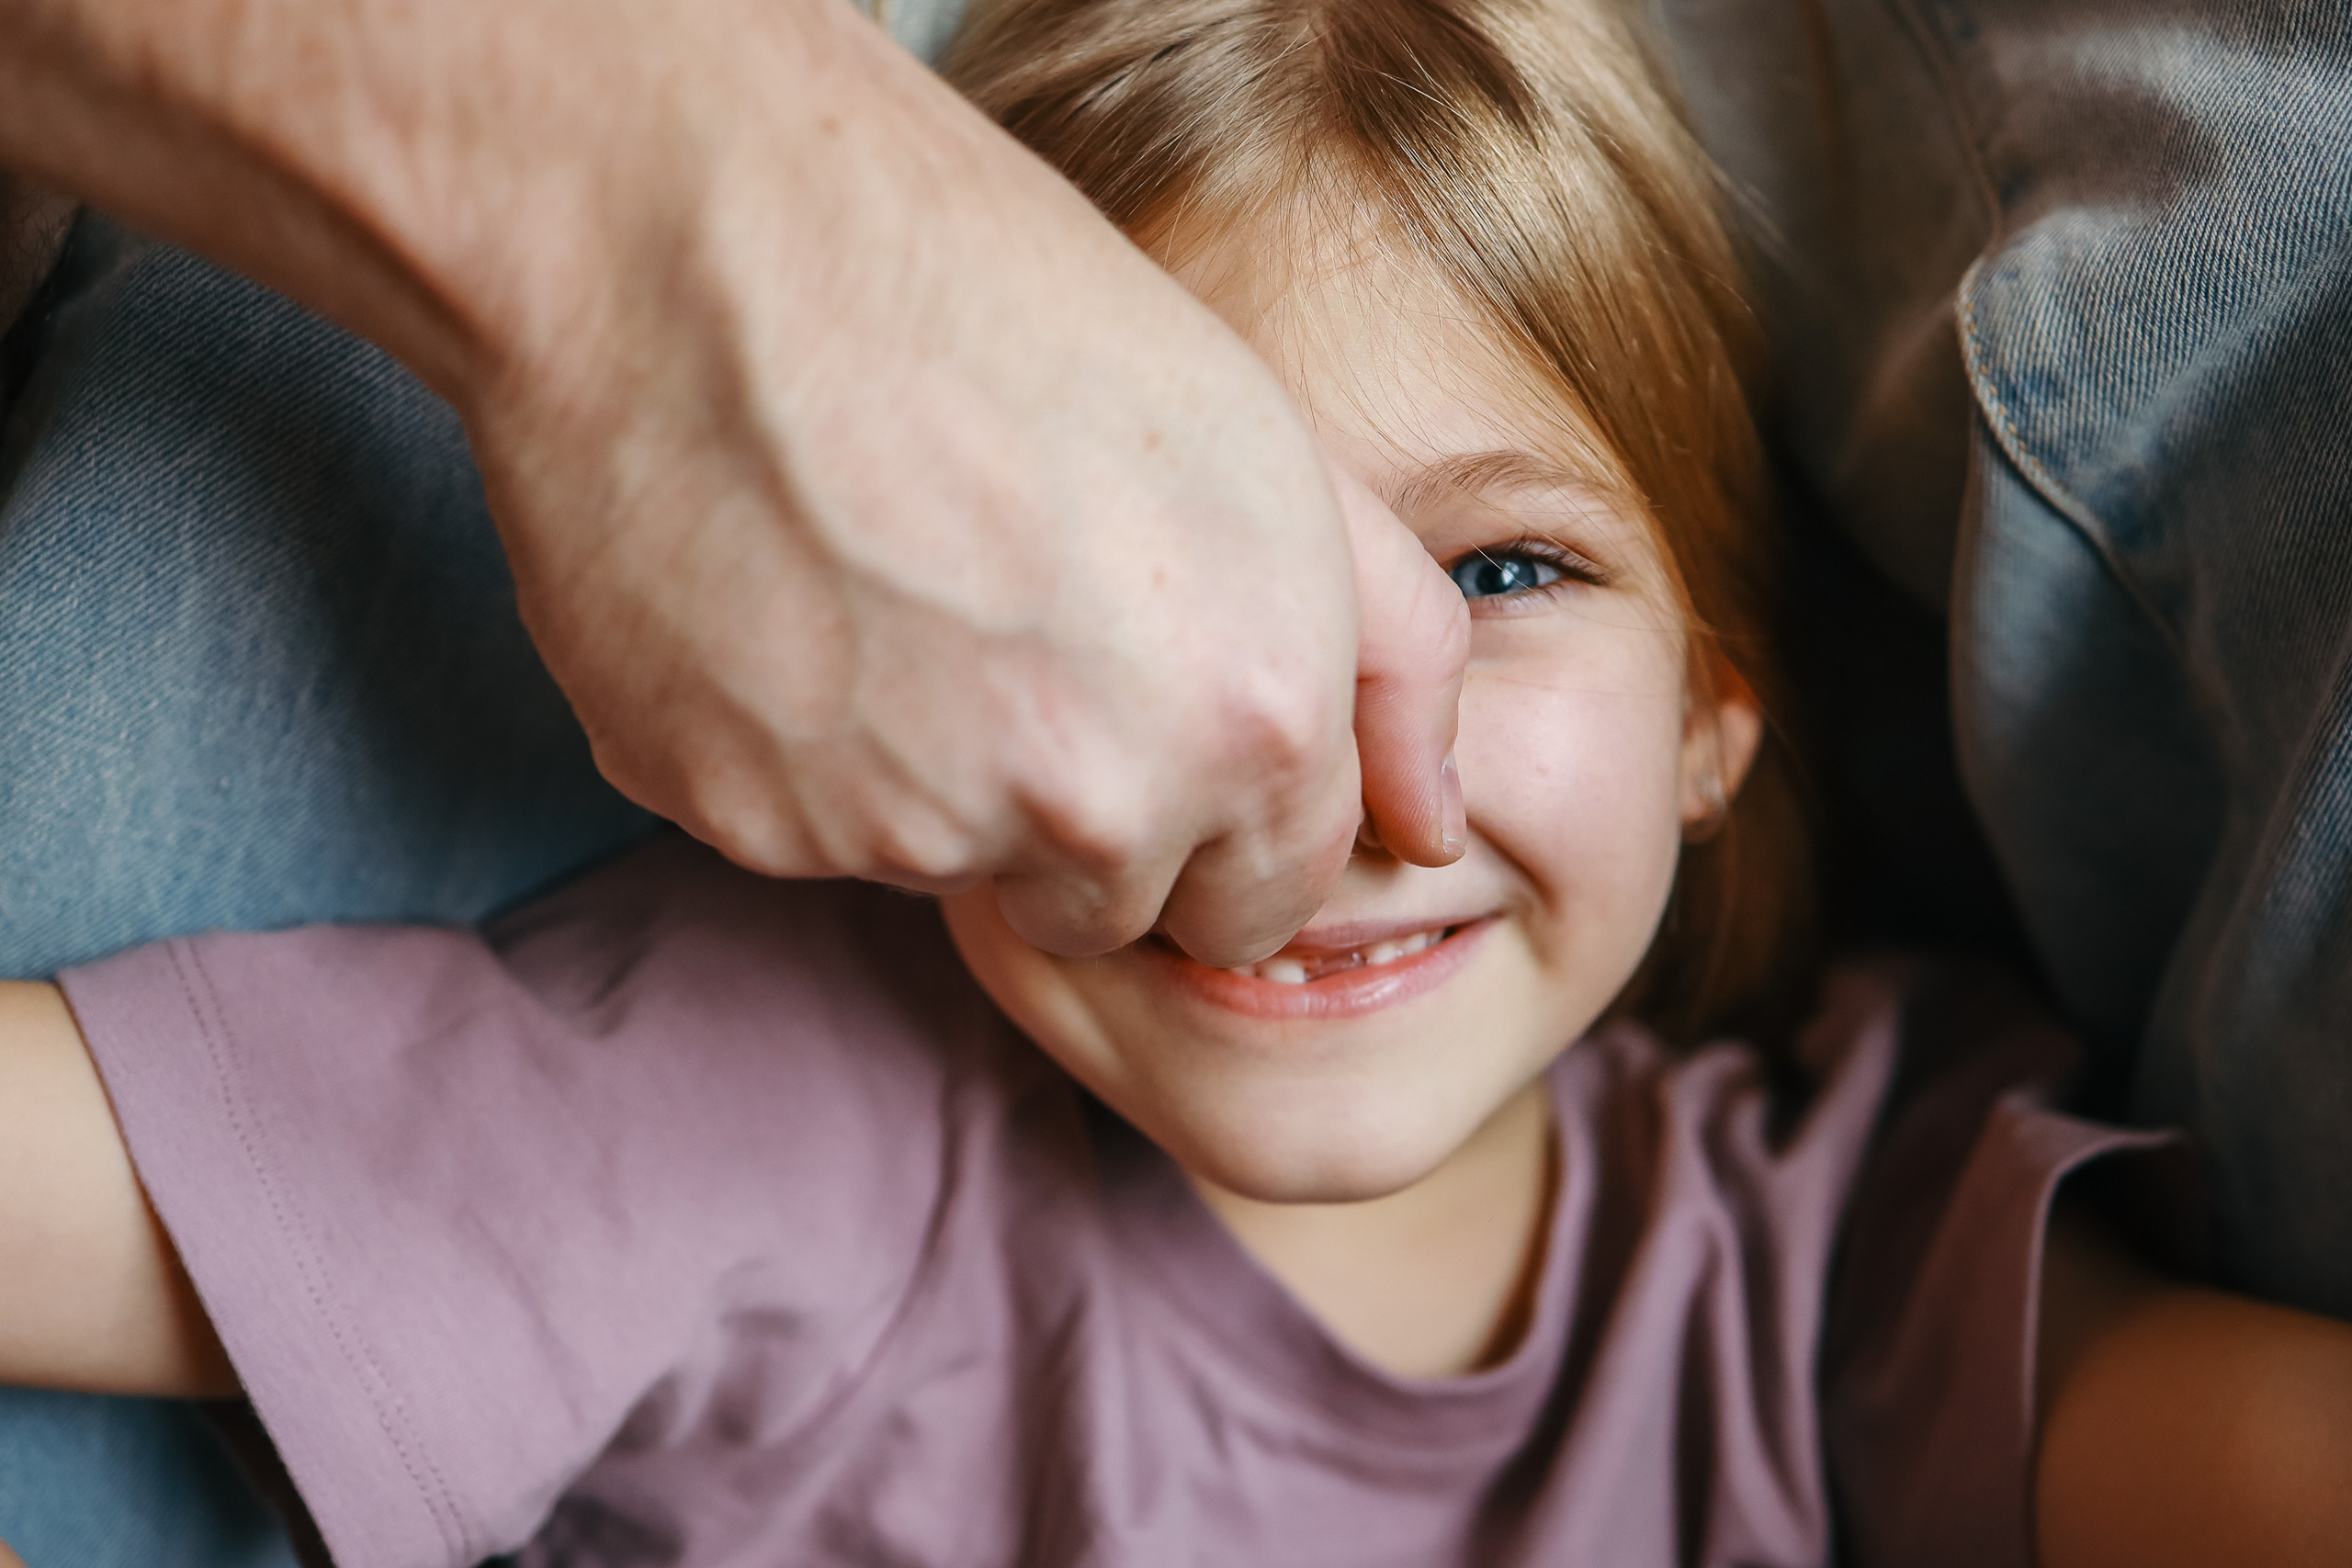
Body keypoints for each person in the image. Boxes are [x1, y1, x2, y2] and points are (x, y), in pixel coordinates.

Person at [6, 2, 2352, 1564]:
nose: (1317, 772)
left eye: (1505, 568)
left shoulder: (1847, 1252)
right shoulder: (759, 1102)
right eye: (1145, 586)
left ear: (1714, 712)